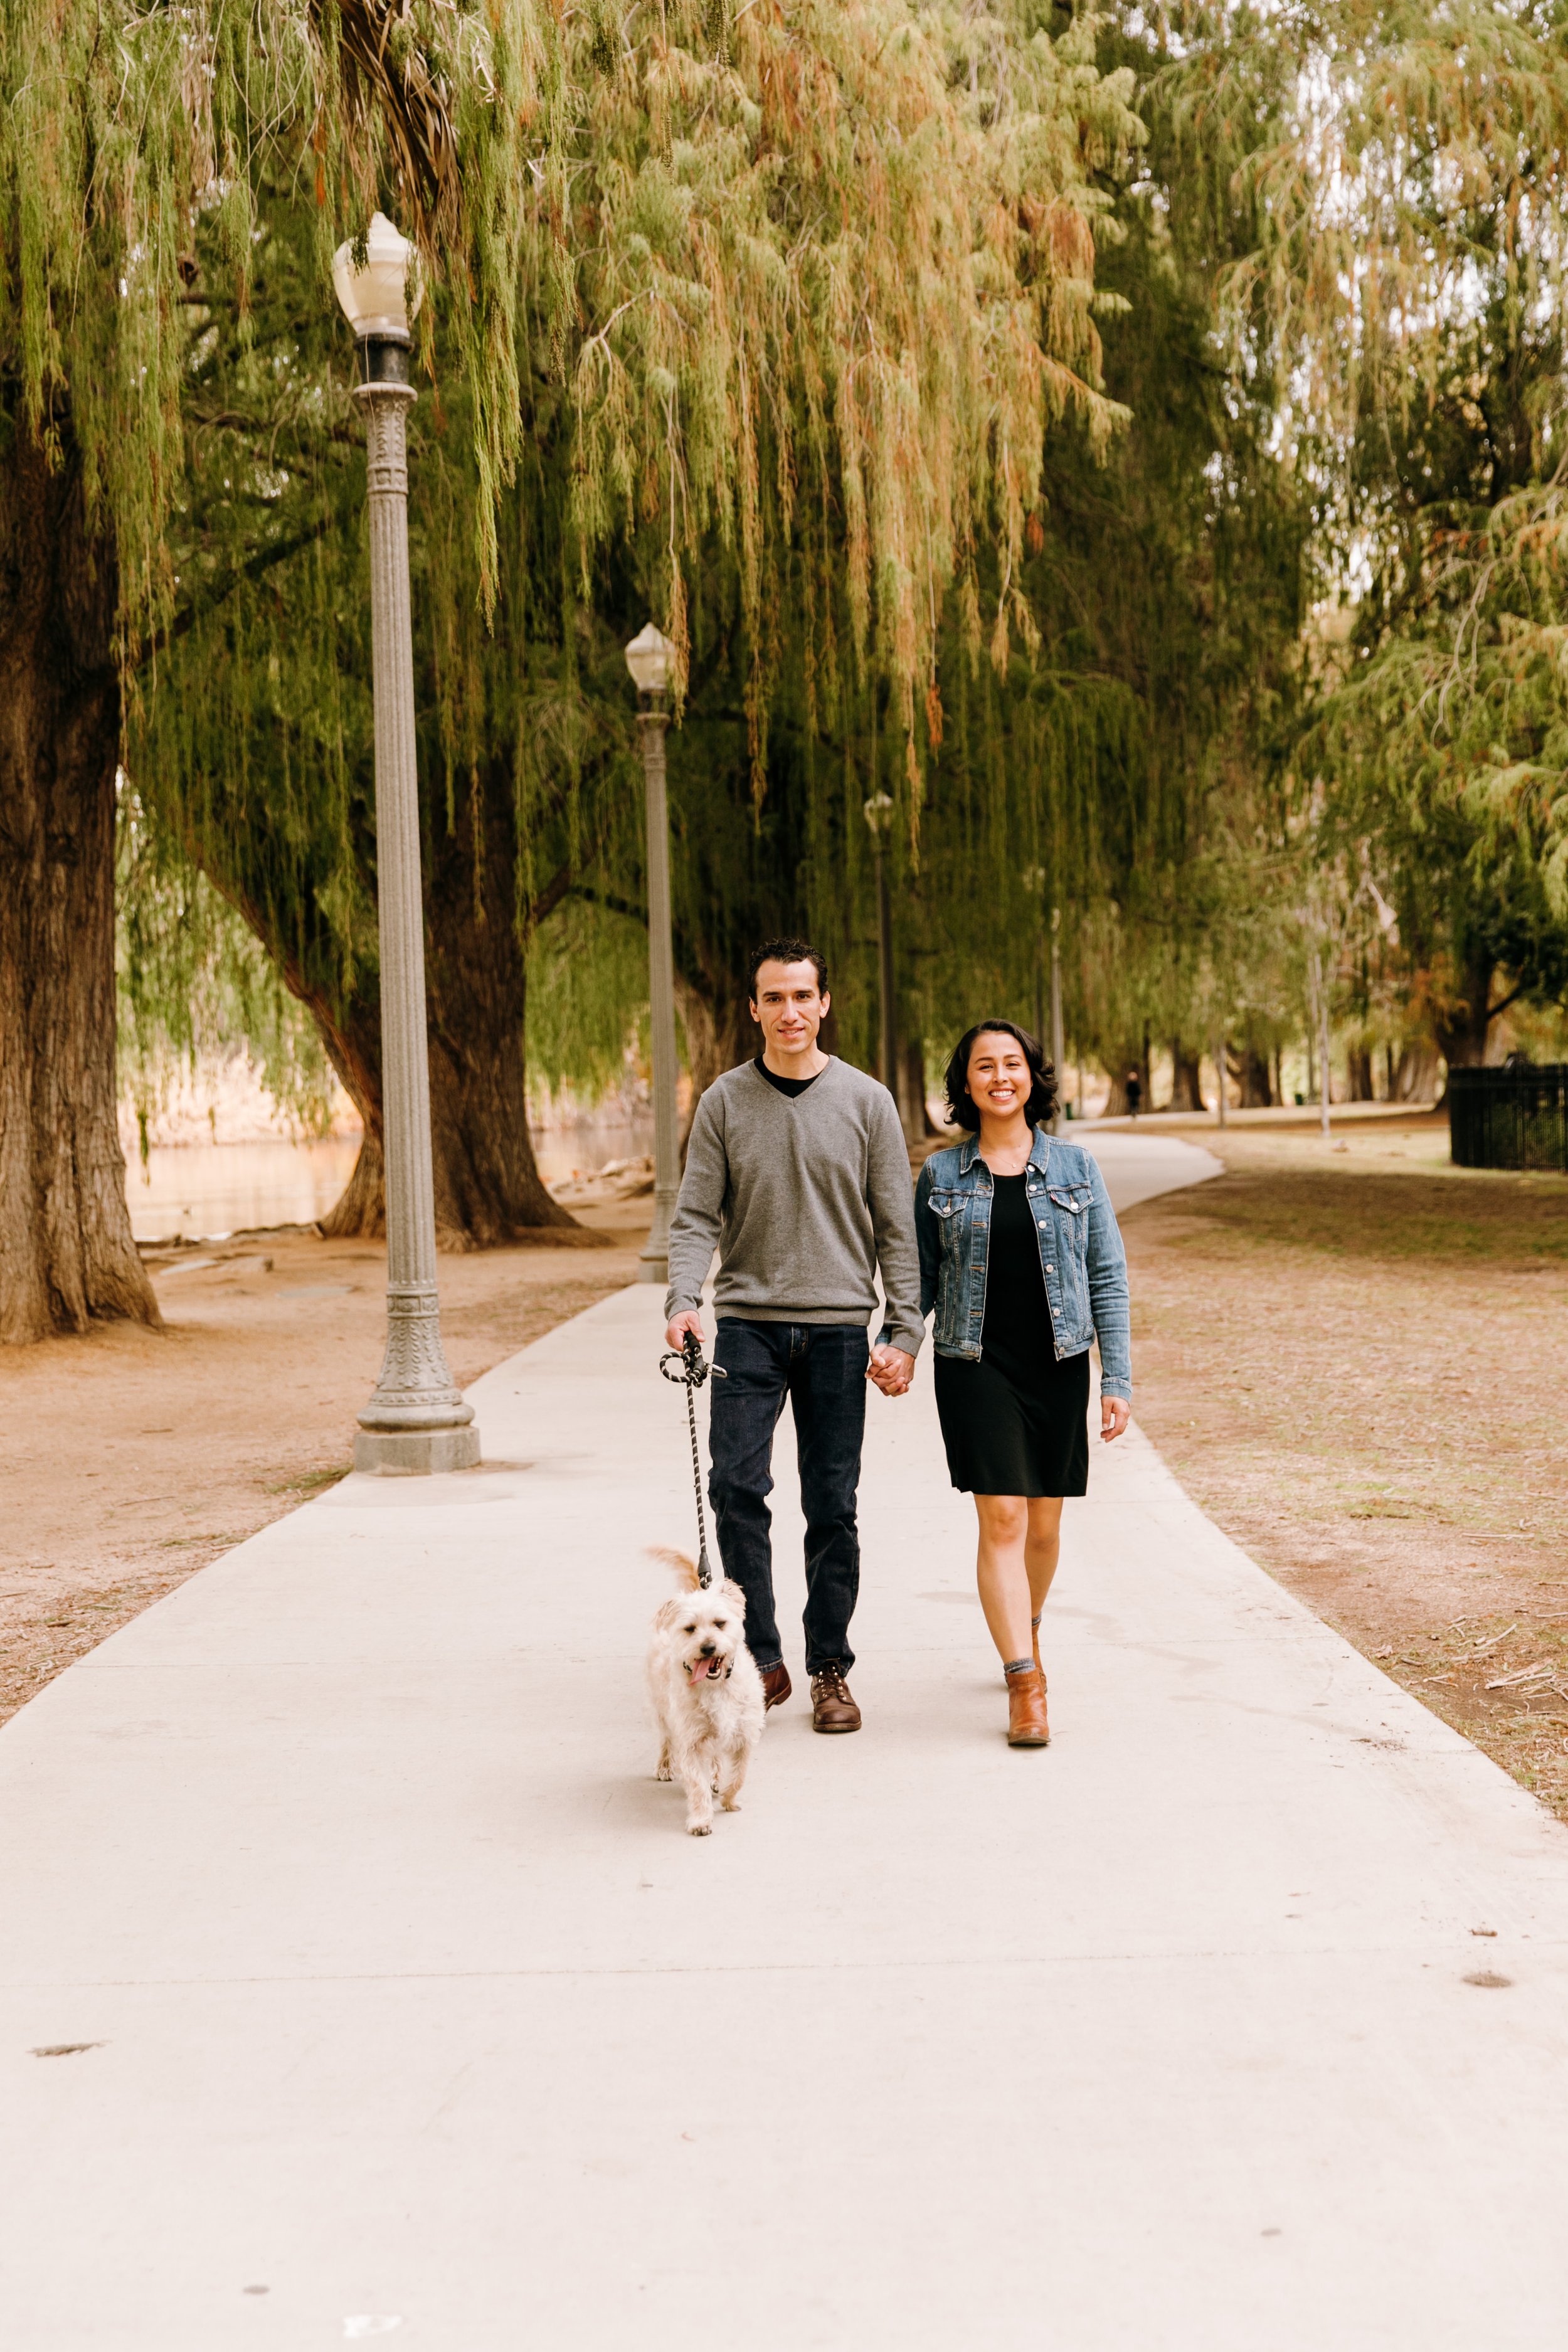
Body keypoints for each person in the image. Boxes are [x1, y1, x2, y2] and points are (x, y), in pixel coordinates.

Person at [664, 939, 922, 1734]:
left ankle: (829, 1669)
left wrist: (903, 1330)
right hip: (746, 1329)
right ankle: (761, 1658)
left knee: (832, 1506)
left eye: (802, 996)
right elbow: (696, 1215)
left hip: (841, 1333)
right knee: (736, 1491)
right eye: (773, 998)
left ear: (824, 1003)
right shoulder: (723, 1102)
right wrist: (683, 1299)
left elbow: (895, 1227)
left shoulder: (868, 1101)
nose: (789, 1012)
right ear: (753, 1008)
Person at [914, 1022, 1131, 1747]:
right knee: (1002, 1519)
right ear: (966, 1083)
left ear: (1032, 1078)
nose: (999, 1076)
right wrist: (896, 1344)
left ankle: (1025, 1627)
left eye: (1012, 1064)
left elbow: (1106, 1274)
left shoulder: (1076, 1167)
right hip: (975, 1364)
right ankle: (1024, 1683)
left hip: (1059, 1361)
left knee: (1043, 1525)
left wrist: (1117, 1379)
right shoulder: (941, 1176)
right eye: (984, 1066)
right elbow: (916, 1280)